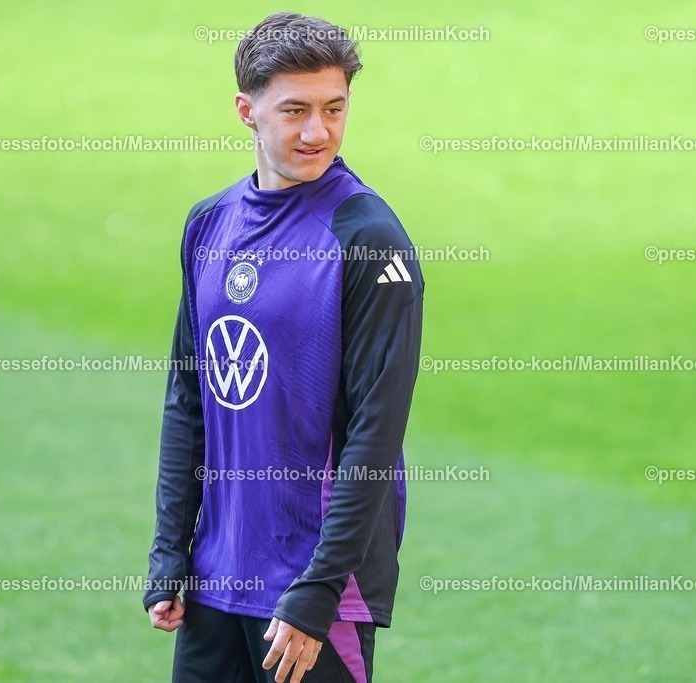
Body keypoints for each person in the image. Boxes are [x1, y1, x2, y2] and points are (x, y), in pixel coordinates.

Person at [142, 12, 424, 683]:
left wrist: (321, 588)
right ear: (247, 110)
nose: (317, 131)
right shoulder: (209, 224)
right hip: (216, 577)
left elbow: (376, 432)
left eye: (334, 108)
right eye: (294, 109)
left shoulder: (369, 237)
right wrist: (169, 551)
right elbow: (191, 398)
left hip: (311, 588)